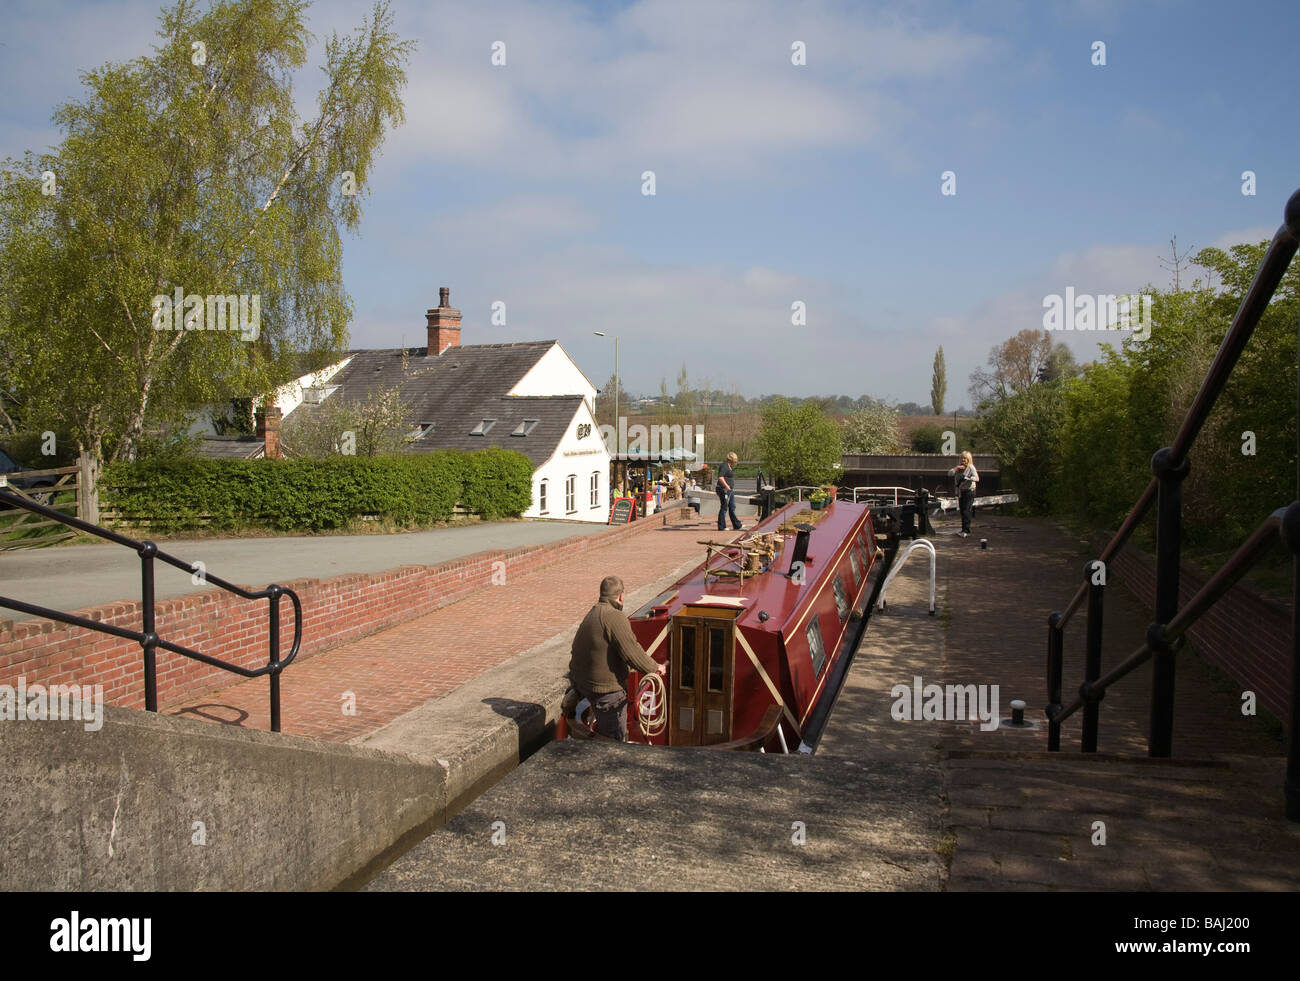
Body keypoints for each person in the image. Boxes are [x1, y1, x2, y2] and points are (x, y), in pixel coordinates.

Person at [567, 575, 667, 741]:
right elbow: (632, 652)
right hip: (604, 692)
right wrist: (655, 668)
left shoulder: (593, 612)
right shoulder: (614, 616)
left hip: (582, 684)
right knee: (614, 741)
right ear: (621, 596)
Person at [948, 450, 979, 537]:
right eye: (962, 458)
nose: (963, 460)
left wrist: (967, 478)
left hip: (970, 491)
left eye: (965, 458)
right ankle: (963, 529)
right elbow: (949, 474)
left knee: (966, 511)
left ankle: (967, 530)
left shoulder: (971, 468)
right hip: (962, 492)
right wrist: (956, 468)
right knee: (962, 511)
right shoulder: (959, 469)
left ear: (968, 459)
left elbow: (977, 478)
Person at [716, 452, 743, 532]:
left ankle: (737, 525)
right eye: (734, 461)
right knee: (724, 507)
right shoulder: (724, 465)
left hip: (729, 490)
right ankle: (721, 526)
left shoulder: (729, 466)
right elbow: (720, 477)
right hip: (724, 490)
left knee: (732, 506)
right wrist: (727, 486)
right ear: (731, 460)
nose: (735, 463)